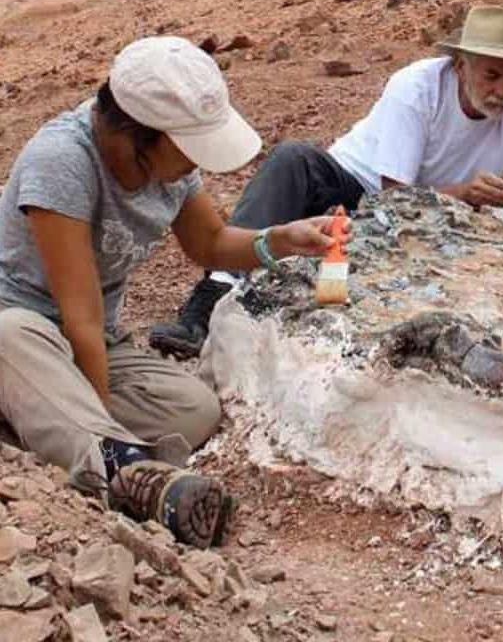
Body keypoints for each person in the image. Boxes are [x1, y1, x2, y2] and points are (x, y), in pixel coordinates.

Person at [0, 37, 338, 547]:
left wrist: (280, 240)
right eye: (186, 148)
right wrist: (101, 416)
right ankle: (123, 470)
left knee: (193, 407)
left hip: (87, 345)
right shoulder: (62, 161)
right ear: (135, 133)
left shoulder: (169, 167)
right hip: (24, 331)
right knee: (11, 334)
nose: (192, 163)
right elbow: (80, 315)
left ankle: (47, 422)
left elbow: (213, 242)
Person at [150, 5, 503, 359]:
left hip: (446, 222)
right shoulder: (417, 87)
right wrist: (464, 194)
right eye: (492, 75)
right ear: (460, 64)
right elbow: (393, 196)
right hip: (356, 190)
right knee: (294, 160)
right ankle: (209, 302)